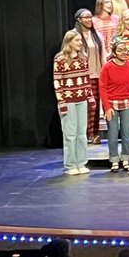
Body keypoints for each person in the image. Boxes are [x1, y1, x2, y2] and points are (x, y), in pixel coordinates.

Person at [53, 30, 93, 176]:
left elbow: (86, 79)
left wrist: (90, 98)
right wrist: (61, 102)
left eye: (80, 40)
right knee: (70, 135)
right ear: (69, 41)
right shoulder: (60, 58)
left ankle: (81, 162)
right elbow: (57, 81)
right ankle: (70, 165)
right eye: (77, 40)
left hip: (81, 99)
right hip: (68, 100)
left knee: (81, 133)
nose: (80, 43)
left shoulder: (83, 57)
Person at [99, 38, 129, 174]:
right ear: (114, 52)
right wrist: (106, 107)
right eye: (120, 50)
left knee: (126, 132)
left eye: (125, 50)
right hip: (111, 103)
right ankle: (114, 160)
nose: (123, 53)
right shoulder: (107, 67)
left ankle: (126, 159)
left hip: (127, 102)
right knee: (112, 131)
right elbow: (103, 88)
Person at [73, 8, 105, 144]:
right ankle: (84, 134)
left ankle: (95, 133)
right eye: (85, 17)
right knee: (85, 106)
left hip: (97, 74)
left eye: (90, 17)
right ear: (79, 20)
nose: (89, 19)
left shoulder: (97, 35)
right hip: (83, 76)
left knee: (95, 105)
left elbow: (103, 54)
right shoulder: (74, 35)